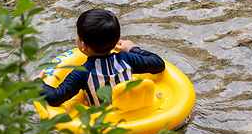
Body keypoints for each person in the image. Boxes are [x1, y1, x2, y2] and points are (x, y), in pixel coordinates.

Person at [38, 8, 166, 107]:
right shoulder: (127, 59)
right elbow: (159, 64)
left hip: (103, 124)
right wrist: (132, 48)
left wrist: (37, 83)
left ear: (84, 45)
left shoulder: (82, 73)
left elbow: (54, 98)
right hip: (131, 114)